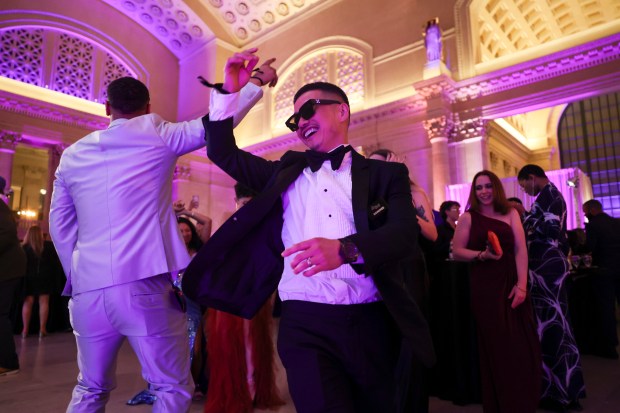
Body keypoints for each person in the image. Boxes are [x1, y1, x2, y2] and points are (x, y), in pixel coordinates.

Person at [183, 49, 435, 413]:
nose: (299, 122)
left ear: (342, 111)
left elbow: (403, 235)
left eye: (308, 110)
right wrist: (232, 92)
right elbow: (221, 150)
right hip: (304, 324)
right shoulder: (284, 172)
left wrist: (346, 250)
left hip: (371, 319)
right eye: (293, 119)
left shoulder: (385, 175)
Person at [49, 71, 270, 412]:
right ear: (148, 105)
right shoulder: (160, 133)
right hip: (143, 284)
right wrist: (254, 83)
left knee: (89, 387)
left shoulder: (72, 155)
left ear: (107, 107)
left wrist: (77, 274)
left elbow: (60, 224)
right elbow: (217, 123)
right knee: (170, 386)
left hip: (87, 290)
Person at [452, 170, 541, 412]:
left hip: (512, 281)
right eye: (479, 187)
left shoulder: (511, 213)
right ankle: (501, 402)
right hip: (485, 286)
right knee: (498, 345)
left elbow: (521, 250)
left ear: (497, 188)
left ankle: (522, 399)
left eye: (488, 186)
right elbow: (457, 251)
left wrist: (522, 285)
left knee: (521, 344)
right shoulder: (468, 217)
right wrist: (482, 255)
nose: (484, 191)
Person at [204, 182, 284, 413]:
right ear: (237, 202)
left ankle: (251, 390)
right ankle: (237, 391)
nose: (248, 207)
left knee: (252, 342)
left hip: (253, 292)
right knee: (229, 344)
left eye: (251, 203)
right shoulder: (229, 222)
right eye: (244, 203)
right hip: (227, 293)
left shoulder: (264, 226)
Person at [367, 148, 436, 412]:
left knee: (410, 335)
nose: (373, 171)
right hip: (381, 267)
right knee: (384, 335)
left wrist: (403, 202)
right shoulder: (369, 197)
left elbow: (432, 234)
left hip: (409, 267)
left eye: (380, 166)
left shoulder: (414, 193)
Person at [518, 164, 585, 412]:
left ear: (532, 177)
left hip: (546, 267)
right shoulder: (550, 196)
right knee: (552, 327)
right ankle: (563, 391)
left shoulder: (549, 196)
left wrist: (524, 217)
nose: (525, 190)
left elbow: (551, 230)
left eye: (524, 185)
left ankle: (562, 394)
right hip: (545, 267)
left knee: (553, 327)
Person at [581, 199, 619, 358]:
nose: (585, 214)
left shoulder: (593, 226)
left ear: (591, 210)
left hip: (604, 271)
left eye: (585, 211)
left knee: (607, 309)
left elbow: (590, 247)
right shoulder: (616, 222)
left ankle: (611, 348)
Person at [0, 198, 26, 376]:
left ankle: (8, 363)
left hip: (8, 268)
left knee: (0, 315)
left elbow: (7, 233)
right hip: (7, 267)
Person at [20, 225, 57, 338]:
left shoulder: (24, 247)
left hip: (29, 278)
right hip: (44, 277)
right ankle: (42, 329)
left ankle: (25, 330)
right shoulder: (48, 247)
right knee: (44, 302)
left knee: (27, 302)